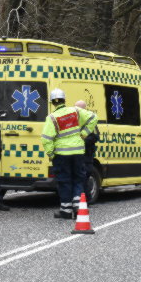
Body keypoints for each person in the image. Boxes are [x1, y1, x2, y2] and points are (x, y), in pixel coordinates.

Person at [42, 89, 97, 219]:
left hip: (61, 154)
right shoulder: (75, 111)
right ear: (64, 100)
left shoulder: (52, 118)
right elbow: (93, 118)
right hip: (78, 152)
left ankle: (66, 210)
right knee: (78, 179)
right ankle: (78, 207)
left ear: (52, 103)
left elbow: (46, 138)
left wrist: (51, 154)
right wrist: (84, 134)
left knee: (64, 181)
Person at [74, 100, 100, 202]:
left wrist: (83, 141)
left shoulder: (90, 121)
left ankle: (86, 199)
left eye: (79, 109)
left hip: (86, 153)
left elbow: (96, 136)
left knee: (85, 174)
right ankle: (81, 198)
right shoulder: (72, 120)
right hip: (75, 152)